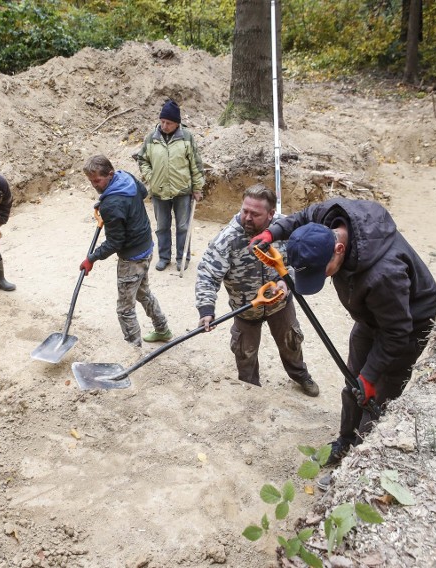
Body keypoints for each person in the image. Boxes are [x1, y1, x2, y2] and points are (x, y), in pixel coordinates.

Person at [251, 198, 436, 465]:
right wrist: (274, 232)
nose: (325, 277)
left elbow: (397, 332)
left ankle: (361, 461)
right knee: (353, 383)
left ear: (339, 248)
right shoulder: (329, 216)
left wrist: (371, 376)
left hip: (407, 325)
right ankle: (345, 441)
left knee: (378, 394)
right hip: (372, 317)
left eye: (323, 271)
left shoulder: (383, 274)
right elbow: (303, 216)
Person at [195, 185, 320, 397]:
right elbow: (208, 274)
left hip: (281, 305)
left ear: (271, 214)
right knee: (245, 353)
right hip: (245, 309)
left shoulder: (288, 227)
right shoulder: (227, 239)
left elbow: (304, 260)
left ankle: (300, 375)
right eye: (245, 211)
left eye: (255, 214)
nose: (247, 217)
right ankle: (250, 392)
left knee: (291, 342)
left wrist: (287, 281)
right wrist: (206, 309)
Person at [80, 155, 172, 347]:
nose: (94, 185)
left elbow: (115, 242)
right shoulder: (126, 177)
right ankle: (162, 329)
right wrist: (110, 204)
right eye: (90, 181)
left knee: (124, 309)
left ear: (110, 174)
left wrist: (92, 258)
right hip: (146, 247)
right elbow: (143, 192)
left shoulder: (112, 205)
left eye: (97, 180)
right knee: (143, 293)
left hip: (131, 259)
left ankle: (134, 350)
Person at [134, 98, 205, 272]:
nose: (164, 125)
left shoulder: (187, 137)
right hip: (159, 191)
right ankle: (164, 257)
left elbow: (196, 164)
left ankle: (182, 258)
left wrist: (197, 187)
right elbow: (142, 159)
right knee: (162, 227)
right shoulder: (151, 138)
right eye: (162, 121)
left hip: (182, 190)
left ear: (177, 123)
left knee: (182, 227)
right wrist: (151, 177)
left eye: (169, 123)